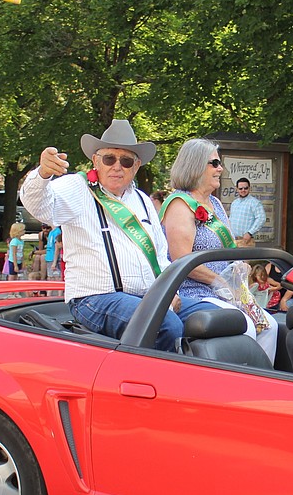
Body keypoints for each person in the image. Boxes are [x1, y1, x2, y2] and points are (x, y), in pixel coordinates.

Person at [19, 119, 182, 351]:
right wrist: (43, 174)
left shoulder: (144, 201)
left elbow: (161, 257)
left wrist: (170, 292)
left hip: (147, 297)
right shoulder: (76, 187)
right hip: (94, 299)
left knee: (216, 316)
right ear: (96, 161)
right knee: (165, 326)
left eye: (126, 161)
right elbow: (39, 206)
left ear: (136, 167)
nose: (117, 166)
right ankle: (159, 383)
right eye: (109, 159)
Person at [161, 138, 277, 362]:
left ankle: (262, 385)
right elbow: (182, 260)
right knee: (245, 327)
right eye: (214, 163)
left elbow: (229, 248)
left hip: (226, 291)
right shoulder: (180, 204)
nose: (220, 168)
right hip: (193, 292)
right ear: (195, 165)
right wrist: (221, 282)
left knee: (269, 326)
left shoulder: (215, 203)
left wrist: (239, 268)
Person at [228, 177, 266, 247]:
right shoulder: (234, 203)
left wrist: (250, 233)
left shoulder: (255, 203)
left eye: (246, 188)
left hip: (246, 241)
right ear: (237, 189)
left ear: (249, 188)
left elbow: (261, 218)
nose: (243, 190)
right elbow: (230, 219)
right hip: (232, 241)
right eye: (240, 188)